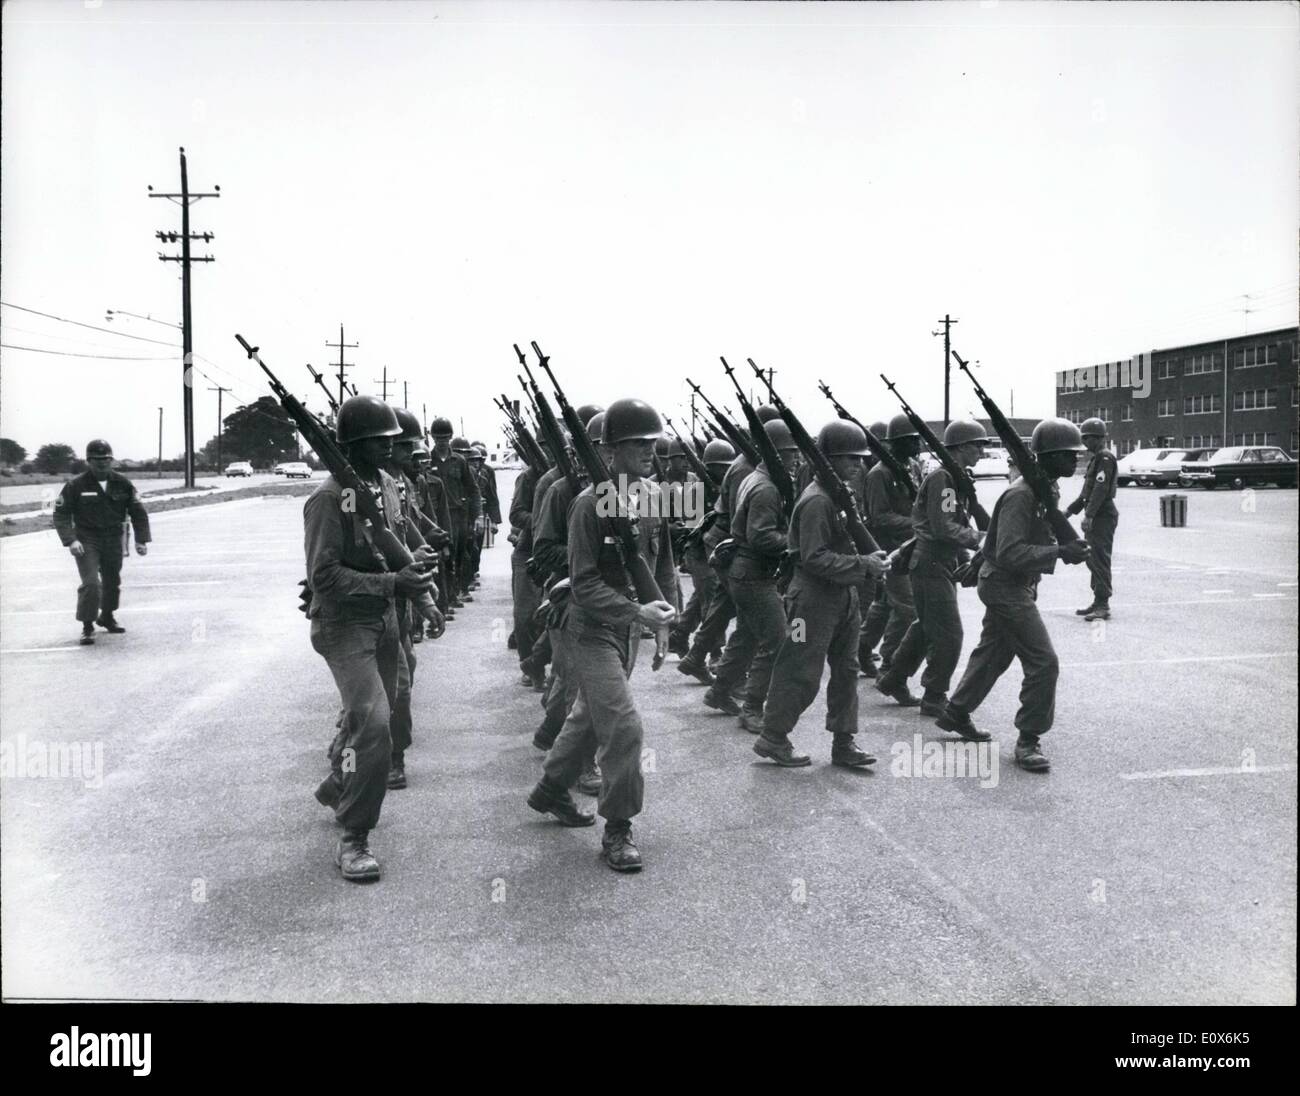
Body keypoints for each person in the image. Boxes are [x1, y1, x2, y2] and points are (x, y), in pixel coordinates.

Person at [527, 398, 678, 873]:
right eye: (637, 444)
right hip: (590, 629)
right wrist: (638, 612)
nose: (648, 451)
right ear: (610, 451)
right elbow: (585, 583)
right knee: (624, 725)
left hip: (628, 630)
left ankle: (550, 791)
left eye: (651, 442)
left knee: (590, 717)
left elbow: (663, 564)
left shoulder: (654, 497)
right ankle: (619, 829)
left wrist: (664, 623)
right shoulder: (587, 505)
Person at [304, 396, 437, 881]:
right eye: (381, 442)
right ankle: (353, 837)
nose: (392, 447)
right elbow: (323, 577)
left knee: (390, 702)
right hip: (343, 626)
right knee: (375, 723)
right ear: (355, 445)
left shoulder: (385, 484)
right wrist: (392, 586)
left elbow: (396, 545)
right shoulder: (326, 499)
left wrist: (420, 591)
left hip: (386, 618)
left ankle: (341, 779)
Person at [938, 419, 1092, 773]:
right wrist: (1058, 553)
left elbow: (1005, 538)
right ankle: (1028, 739)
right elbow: (1008, 551)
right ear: (1049, 456)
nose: (1075, 461)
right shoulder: (1022, 495)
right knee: (1044, 661)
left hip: (1014, 583)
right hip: (1005, 586)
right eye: (1069, 455)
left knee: (995, 653)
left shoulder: (1044, 490)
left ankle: (955, 712)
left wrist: (1058, 544)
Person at [754, 421, 889, 768]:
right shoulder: (816, 501)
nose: (858, 464)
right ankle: (773, 736)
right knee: (799, 668)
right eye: (848, 458)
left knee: (846, 669)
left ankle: (844, 741)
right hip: (809, 601)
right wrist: (863, 564)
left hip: (843, 595)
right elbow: (814, 558)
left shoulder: (839, 494)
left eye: (860, 458)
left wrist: (860, 567)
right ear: (827, 461)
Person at [875, 420, 986, 715]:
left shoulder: (953, 477)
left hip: (937, 560)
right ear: (961, 447)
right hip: (931, 562)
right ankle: (934, 694)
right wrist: (979, 540)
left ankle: (893, 678)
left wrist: (964, 557)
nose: (981, 451)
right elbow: (942, 527)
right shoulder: (943, 479)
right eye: (977, 445)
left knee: (926, 627)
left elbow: (951, 523)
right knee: (950, 633)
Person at [708, 419, 800, 734]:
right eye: (789, 452)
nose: (795, 458)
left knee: (746, 635)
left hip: (745, 572)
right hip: (754, 574)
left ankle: (719, 692)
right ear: (776, 453)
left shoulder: (756, 477)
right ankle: (751, 708)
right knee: (777, 641)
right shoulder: (765, 487)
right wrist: (795, 542)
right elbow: (760, 536)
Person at [530, 411, 605, 796]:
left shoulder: (628, 494)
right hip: (568, 597)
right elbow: (541, 549)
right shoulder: (562, 489)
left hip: (606, 604)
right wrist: (584, 555)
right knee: (578, 682)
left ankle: (549, 732)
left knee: (572, 679)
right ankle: (578, 767)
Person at [53, 439, 151, 645]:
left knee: (112, 581)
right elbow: (61, 514)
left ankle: (106, 616)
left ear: (112, 460)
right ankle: (87, 626)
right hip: (87, 539)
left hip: (114, 538)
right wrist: (70, 540)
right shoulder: (75, 485)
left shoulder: (123, 483)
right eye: (97, 459)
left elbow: (138, 512)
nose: (102, 463)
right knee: (90, 583)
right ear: (88, 461)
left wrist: (141, 540)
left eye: (106, 459)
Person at [860, 415, 922, 685]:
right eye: (911, 440)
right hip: (890, 550)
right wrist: (917, 524)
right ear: (895, 444)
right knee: (908, 609)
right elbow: (878, 517)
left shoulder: (911, 467)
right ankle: (889, 665)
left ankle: (861, 650)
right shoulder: (879, 475)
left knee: (884, 605)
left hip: (908, 546)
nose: (917, 444)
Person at [668, 438, 734, 655]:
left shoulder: (722, 487)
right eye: (721, 467)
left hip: (712, 551)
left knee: (701, 598)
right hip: (698, 552)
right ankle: (716, 654)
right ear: (710, 466)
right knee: (712, 602)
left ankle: (679, 635)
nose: (726, 471)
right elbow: (689, 526)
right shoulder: (695, 489)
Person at [1065, 417, 1117, 622]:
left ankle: (1103, 604)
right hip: (1097, 513)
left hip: (1102, 514)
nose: (1085, 443)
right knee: (1093, 558)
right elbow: (1087, 493)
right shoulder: (1097, 458)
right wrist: (1070, 511)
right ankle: (1098, 600)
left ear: (1098, 438)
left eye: (1087, 439)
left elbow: (1100, 489)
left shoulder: (1105, 458)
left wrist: (1089, 515)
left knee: (1099, 559)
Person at [427, 419, 482, 603]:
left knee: (459, 554)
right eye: (438, 438)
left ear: (450, 437)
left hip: (458, 515)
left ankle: (459, 590)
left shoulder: (459, 461)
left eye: (445, 437)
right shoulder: (428, 459)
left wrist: (477, 516)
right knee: (443, 556)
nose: (441, 441)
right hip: (437, 517)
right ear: (432, 438)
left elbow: (473, 489)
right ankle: (446, 597)